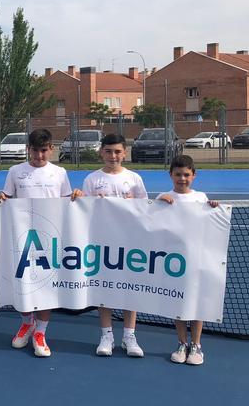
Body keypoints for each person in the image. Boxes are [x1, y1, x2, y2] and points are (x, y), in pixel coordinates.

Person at [0, 129, 82, 357]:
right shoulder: (15, 171)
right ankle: (26, 323)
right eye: (35, 150)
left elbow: (67, 204)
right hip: (22, 239)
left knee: (46, 288)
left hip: (50, 240)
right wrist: (3, 199)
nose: (40, 155)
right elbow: (7, 199)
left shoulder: (60, 173)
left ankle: (40, 332)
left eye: (44, 150)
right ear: (28, 149)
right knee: (22, 285)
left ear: (51, 150)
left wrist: (75, 196)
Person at [80, 133, 147, 358]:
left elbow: (144, 210)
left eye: (117, 151)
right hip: (102, 242)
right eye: (108, 151)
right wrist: (79, 198)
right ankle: (106, 336)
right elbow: (83, 212)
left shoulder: (135, 179)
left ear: (124, 153)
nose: (113, 155)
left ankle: (129, 336)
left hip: (130, 244)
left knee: (131, 289)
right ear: (101, 152)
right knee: (104, 289)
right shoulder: (91, 179)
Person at [157, 155, 219, 366]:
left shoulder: (201, 198)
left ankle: (197, 345)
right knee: (178, 302)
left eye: (186, 175)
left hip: (197, 259)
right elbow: (149, 222)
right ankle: (182, 343)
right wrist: (157, 204)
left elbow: (210, 224)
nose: (182, 178)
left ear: (194, 175)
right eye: (178, 174)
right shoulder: (163, 197)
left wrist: (212, 207)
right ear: (171, 175)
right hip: (174, 261)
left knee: (196, 303)